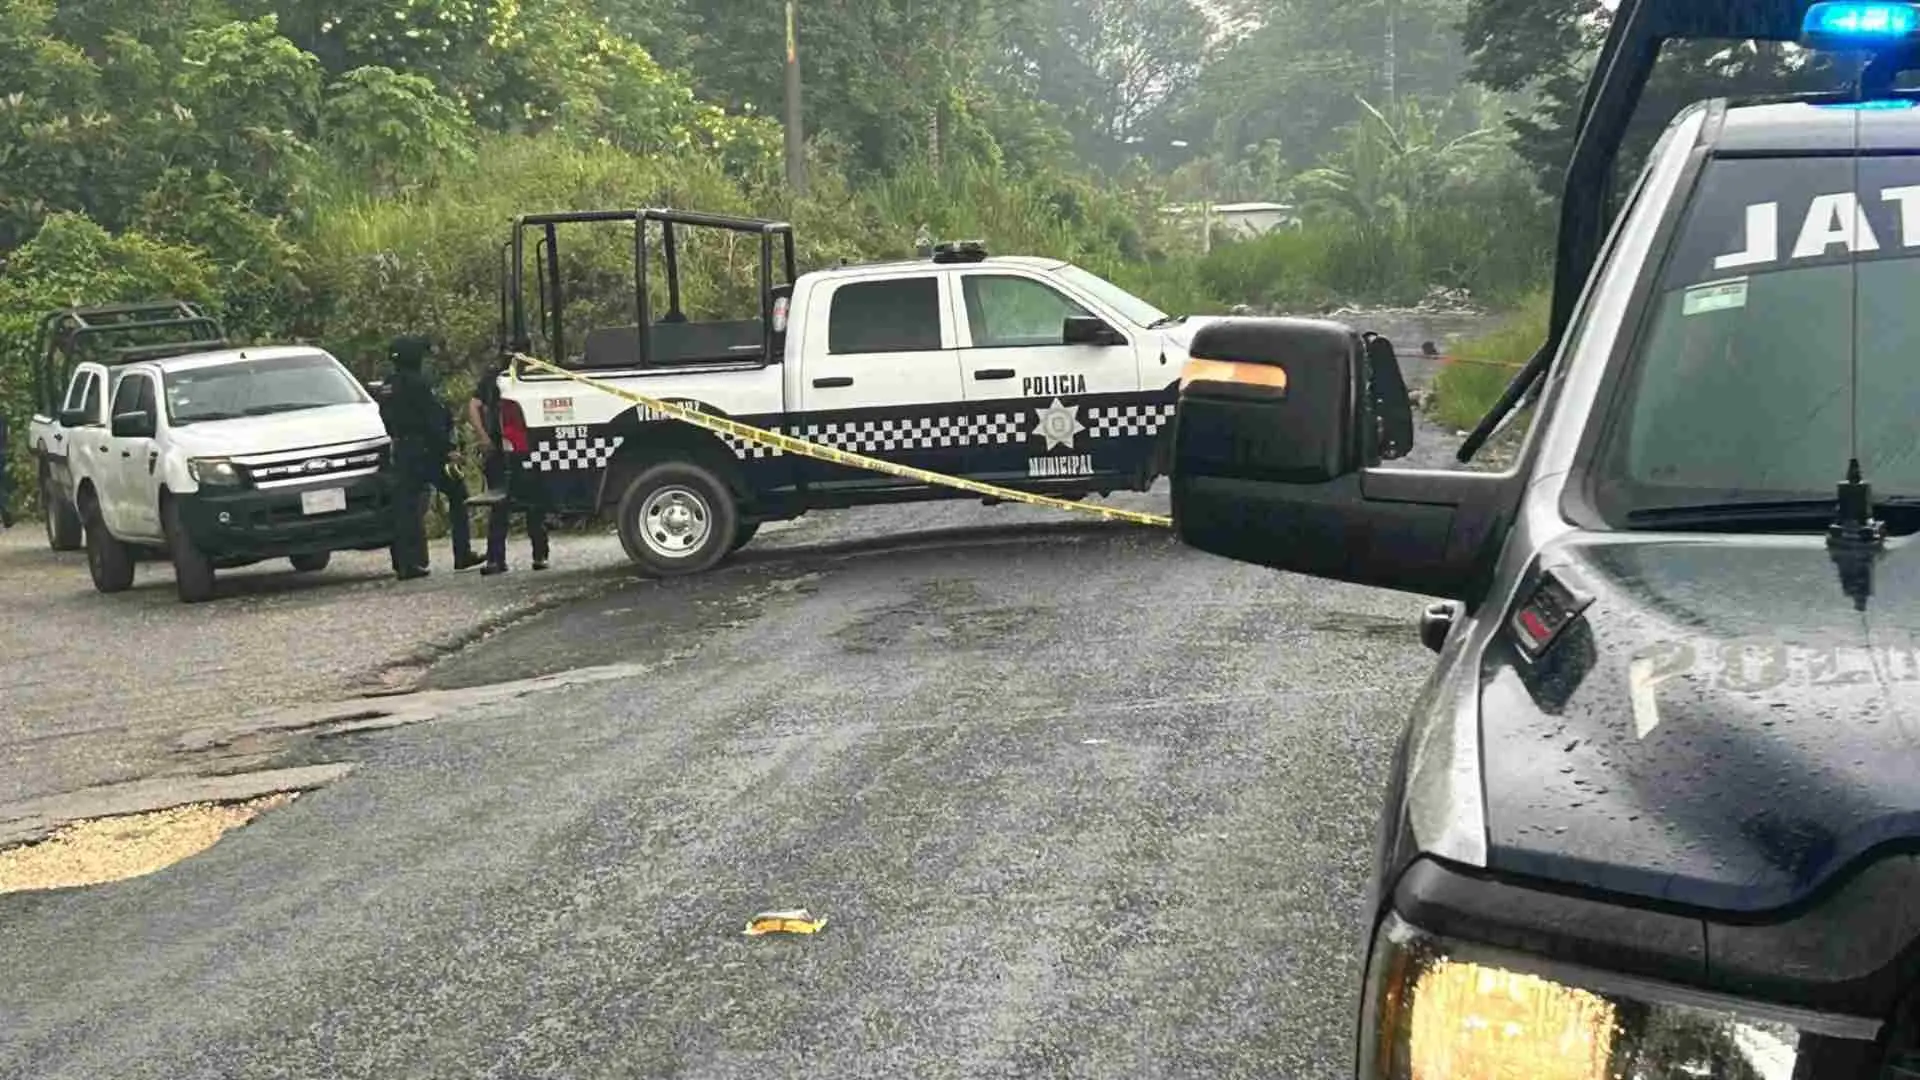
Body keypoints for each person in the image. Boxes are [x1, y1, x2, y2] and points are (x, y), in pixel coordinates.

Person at [378, 336, 479, 580]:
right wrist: (448, 449)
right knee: (458, 494)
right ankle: (462, 553)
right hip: (428, 450)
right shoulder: (420, 384)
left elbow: (386, 418)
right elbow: (433, 420)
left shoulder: (388, 386)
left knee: (406, 507)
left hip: (402, 450)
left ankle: (407, 564)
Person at [468, 358, 549, 575]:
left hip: (512, 445)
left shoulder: (501, 375)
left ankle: (501, 559)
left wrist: (483, 437)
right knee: (524, 501)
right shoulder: (527, 373)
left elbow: (474, 406)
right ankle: (534, 556)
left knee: (509, 503)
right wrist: (484, 437)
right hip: (516, 445)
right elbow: (474, 405)